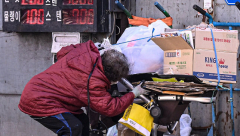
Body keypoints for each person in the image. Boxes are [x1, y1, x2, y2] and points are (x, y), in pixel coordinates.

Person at [18, 40, 147, 136]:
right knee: (72, 128)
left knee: (84, 123)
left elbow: (62, 52)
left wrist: (94, 48)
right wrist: (133, 94)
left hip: (48, 93)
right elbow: (109, 107)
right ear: (110, 77)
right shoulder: (93, 83)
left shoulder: (86, 53)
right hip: (38, 100)